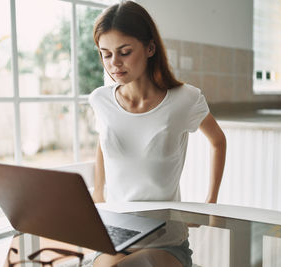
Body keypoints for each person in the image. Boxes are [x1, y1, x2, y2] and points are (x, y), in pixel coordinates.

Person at [88, 1, 226, 266]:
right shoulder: (100, 100)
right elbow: (104, 141)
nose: (114, 63)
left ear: (150, 48)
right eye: (106, 54)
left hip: (166, 240)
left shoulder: (185, 99)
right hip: (116, 235)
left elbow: (218, 141)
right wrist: (98, 192)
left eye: (124, 52)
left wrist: (211, 203)